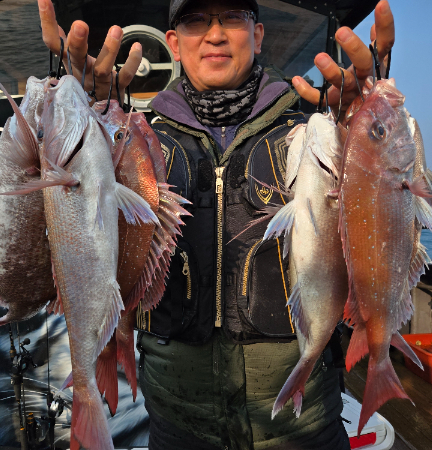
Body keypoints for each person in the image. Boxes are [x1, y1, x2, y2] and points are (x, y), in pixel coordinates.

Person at [37, 0, 396, 449]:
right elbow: (65, 235)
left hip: (303, 428)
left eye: (232, 17)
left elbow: (381, 233)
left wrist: (362, 130)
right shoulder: (134, 141)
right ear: (173, 43)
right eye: (195, 21)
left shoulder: (316, 132)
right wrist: (86, 112)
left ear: (258, 35)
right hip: (176, 427)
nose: (215, 34)